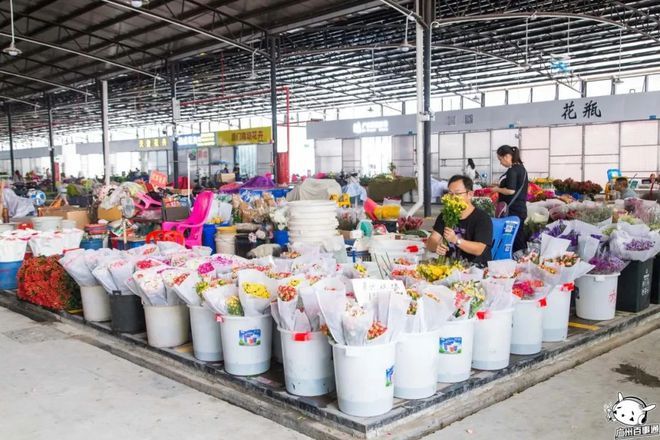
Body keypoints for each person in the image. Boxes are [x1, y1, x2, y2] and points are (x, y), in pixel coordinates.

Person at [426, 175, 492, 266]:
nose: (453, 198)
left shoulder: (482, 218)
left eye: (457, 194)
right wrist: (436, 246)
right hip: (450, 268)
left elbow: (479, 249)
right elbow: (431, 241)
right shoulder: (445, 215)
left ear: (470, 194)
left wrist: (456, 240)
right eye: (450, 193)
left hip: (476, 269)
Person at [491, 145, 528, 253]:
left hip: (513, 209)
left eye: (500, 159)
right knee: (518, 235)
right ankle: (522, 259)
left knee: (515, 238)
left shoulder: (512, 170)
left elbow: (511, 190)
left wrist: (497, 189)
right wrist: (499, 185)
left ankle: (519, 260)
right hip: (519, 209)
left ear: (507, 156)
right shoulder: (521, 169)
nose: (500, 162)